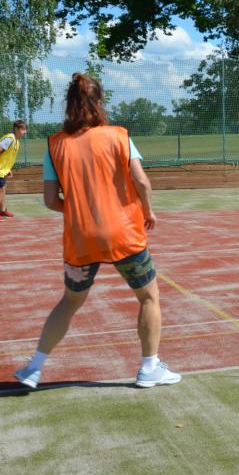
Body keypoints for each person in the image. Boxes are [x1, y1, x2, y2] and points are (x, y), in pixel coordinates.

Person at [14, 72, 179, 390]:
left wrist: (81, 212)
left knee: (69, 302)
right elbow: (141, 181)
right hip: (123, 233)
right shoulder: (119, 136)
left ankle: (33, 368)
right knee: (149, 298)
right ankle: (149, 368)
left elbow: (50, 200)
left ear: (68, 105)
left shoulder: (55, 145)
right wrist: (148, 211)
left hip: (80, 238)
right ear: (100, 101)